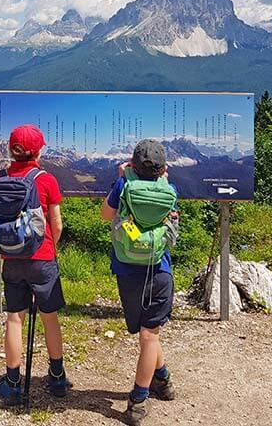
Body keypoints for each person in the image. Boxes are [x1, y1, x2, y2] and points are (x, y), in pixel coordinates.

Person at [100, 139, 177, 425]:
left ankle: (139, 400)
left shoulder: (123, 186)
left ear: (132, 165)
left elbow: (105, 215)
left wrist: (121, 179)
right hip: (159, 271)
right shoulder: (169, 190)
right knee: (151, 334)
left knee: (146, 335)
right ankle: (162, 381)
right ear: (163, 169)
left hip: (127, 271)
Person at [0, 124, 70, 405]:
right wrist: (51, 248)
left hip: (11, 258)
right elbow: (57, 224)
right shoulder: (46, 179)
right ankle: (57, 377)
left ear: (11, 150)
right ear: (38, 151)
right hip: (42, 258)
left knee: (15, 317)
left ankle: (13, 382)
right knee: (50, 317)